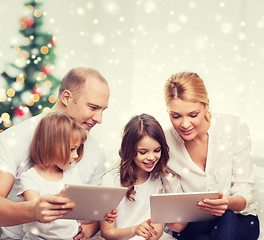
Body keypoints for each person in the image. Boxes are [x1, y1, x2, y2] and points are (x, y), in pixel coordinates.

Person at [0, 67, 110, 239]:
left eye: (103, 110)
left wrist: (87, 231)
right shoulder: (14, 139)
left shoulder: (96, 151)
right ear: (66, 97)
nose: (99, 119)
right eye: (93, 107)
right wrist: (33, 210)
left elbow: (94, 211)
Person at [162, 71, 260, 240]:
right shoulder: (165, 143)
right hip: (195, 223)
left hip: (240, 218)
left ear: (207, 105)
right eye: (175, 116)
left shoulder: (234, 128)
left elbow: (245, 192)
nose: (185, 124)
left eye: (193, 115)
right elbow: (176, 210)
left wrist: (227, 203)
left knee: (227, 217)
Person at [100, 114, 175, 240]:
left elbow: (157, 229)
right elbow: (107, 232)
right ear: (129, 150)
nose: (151, 157)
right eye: (143, 152)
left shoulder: (158, 178)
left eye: (157, 150)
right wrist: (135, 230)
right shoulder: (110, 181)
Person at [18, 111, 87, 239]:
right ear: (51, 145)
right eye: (72, 149)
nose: (76, 155)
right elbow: (37, 211)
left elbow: (81, 214)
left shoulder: (72, 174)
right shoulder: (30, 178)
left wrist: (100, 214)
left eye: (77, 149)